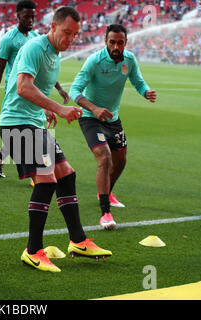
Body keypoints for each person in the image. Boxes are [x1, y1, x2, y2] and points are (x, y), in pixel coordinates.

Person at [0, 6, 112, 273]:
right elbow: (22, 86)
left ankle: (78, 240)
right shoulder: (35, 48)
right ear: (53, 26)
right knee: (46, 180)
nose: (70, 39)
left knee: (66, 175)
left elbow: (35, 90)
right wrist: (59, 108)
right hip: (16, 124)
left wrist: (46, 108)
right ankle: (32, 250)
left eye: (74, 34)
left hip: (34, 123)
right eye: (66, 32)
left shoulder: (54, 54)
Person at [69, 24, 157, 230]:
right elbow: (74, 89)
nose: (116, 46)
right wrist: (94, 108)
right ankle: (105, 212)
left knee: (121, 161)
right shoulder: (95, 61)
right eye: (112, 42)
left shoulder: (130, 60)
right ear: (105, 42)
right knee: (104, 158)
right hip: (91, 117)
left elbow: (137, 81)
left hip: (113, 119)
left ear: (125, 42)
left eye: (120, 42)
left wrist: (145, 92)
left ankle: (107, 191)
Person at [0, 0, 70, 179]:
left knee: (26, 128)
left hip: (34, 90)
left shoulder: (36, 38)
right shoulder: (9, 39)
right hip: (16, 89)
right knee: (21, 127)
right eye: (26, 16)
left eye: (33, 16)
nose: (31, 20)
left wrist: (60, 89)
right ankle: (38, 175)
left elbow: (44, 69)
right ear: (18, 16)